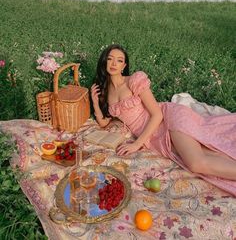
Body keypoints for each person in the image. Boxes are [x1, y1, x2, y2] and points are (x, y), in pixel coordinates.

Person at [91, 44, 236, 195]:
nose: (114, 63)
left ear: (124, 65)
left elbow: (157, 114)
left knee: (196, 163)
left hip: (168, 119)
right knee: (211, 153)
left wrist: (137, 144)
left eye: (119, 60)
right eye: (110, 59)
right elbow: (103, 122)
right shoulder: (105, 92)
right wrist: (95, 103)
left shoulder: (133, 81)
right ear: (104, 61)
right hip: (155, 138)